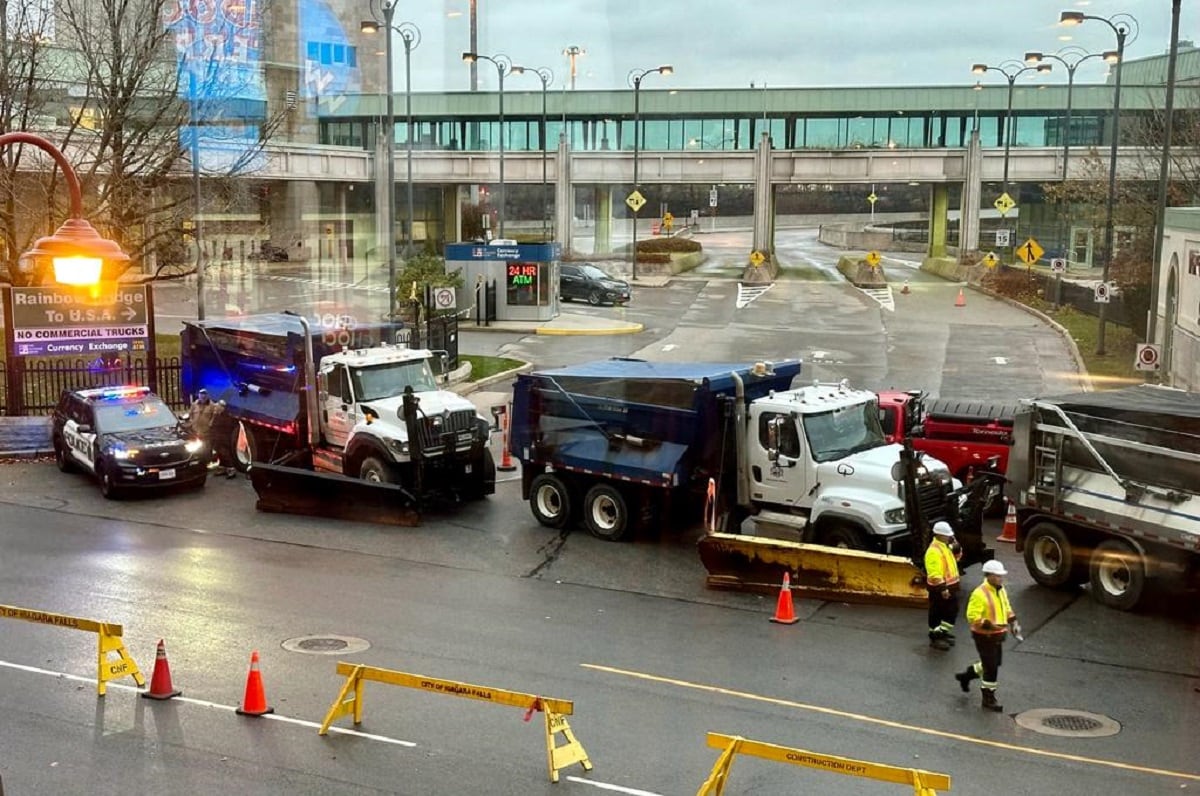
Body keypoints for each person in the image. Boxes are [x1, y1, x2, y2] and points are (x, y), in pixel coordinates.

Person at [956, 559, 1022, 712]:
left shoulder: (1001, 589)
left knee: (993, 663)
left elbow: (1006, 608)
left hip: (998, 634)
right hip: (984, 636)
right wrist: (990, 625)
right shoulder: (979, 593)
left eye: (1001, 575)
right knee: (991, 667)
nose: (1001, 578)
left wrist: (1014, 623)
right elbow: (973, 617)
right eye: (998, 576)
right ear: (989, 576)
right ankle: (988, 698)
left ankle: (966, 676)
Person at [924, 521, 962, 651]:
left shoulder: (945, 546)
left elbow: (955, 560)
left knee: (951, 610)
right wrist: (942, 588)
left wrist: (957, 549)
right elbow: (934, 573)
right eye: (947, 535)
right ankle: (935, 637)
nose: (949, 537)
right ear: (939, 535)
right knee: (937, 612)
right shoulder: (934, 551)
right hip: (940, 589)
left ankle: (942, 633)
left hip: (950, 587)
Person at [189, 389, 234, 478]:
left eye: (204, 394)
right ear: (198, 395)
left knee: (215, 451)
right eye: (201, 394)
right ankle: (220, 467)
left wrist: (211, 430)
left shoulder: (214, 408)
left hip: (210, 434)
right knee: (200, 451)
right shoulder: (194, 405)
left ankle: (229, 468)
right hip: (197, 432)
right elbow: (191, 415)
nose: (203, 396)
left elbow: (214, 422)